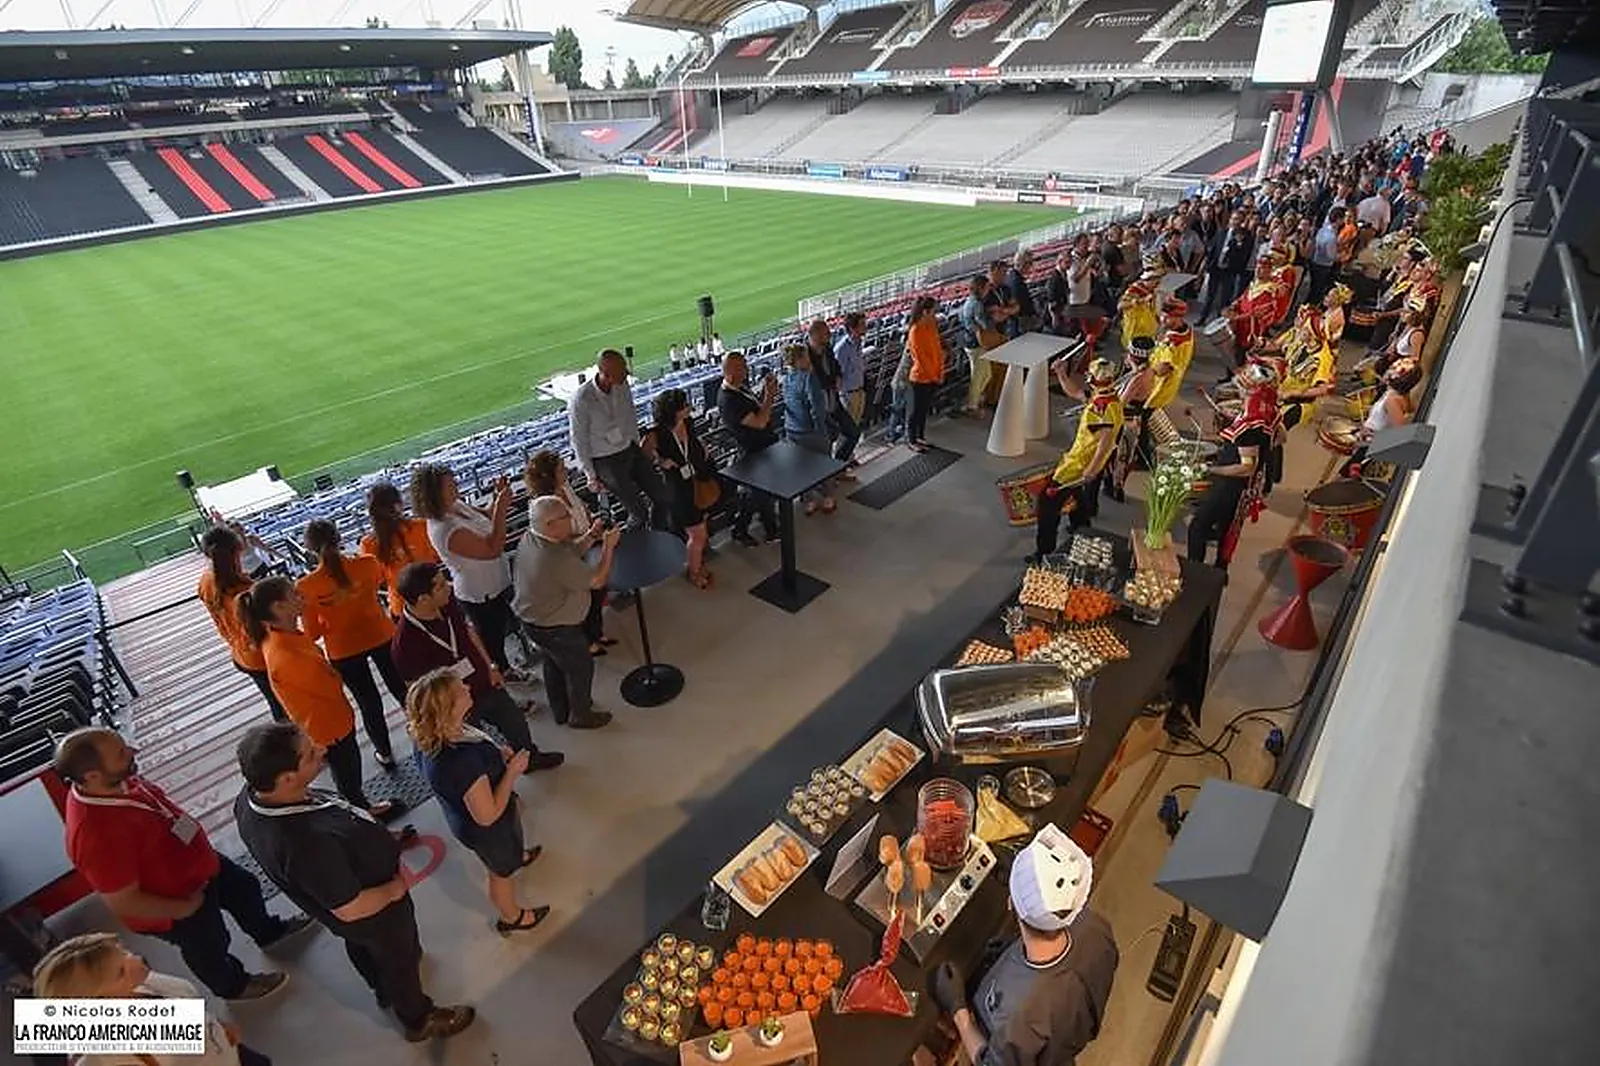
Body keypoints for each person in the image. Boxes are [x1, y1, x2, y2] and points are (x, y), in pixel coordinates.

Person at [233, 722, 475, 1043]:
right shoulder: (304, 844)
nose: (321, 748)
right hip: (375, 913)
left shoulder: (253, 797)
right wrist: (395, 889)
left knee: (363, 947)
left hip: (350, 911)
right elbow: (352, 908)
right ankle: (418, 1018)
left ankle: (381, 986)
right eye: (309, 754)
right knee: (398, 959)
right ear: (287, 778)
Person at [55, 727, 308, 1002]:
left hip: (198, 864)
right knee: (209, 946)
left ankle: (268, 932)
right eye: (120, 752)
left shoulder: (116, 779)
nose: (132, 751)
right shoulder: (94, 836)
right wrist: (184, 908)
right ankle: (233, 986)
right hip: (176, 901)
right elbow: (125, 902)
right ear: (92, 776)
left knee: (245, 888)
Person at [928, 827, 1118, 1066]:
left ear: (1010, 903)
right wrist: (1012, 949)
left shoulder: (1018, 1016)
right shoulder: (1095, 928)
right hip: (1061, 1048)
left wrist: (959, 1010)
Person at [237, 577, 401, 820]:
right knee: (347, 774)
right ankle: (362, 814)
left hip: (328, 721)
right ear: (278, 608)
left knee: (346, 771)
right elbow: (329, 685)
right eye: (293, 595)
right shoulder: (286, 655)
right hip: (328, 728)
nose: (301, 597)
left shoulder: (285, 636)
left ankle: (359, 808)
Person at [404, 669, 550, 935]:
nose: (468, 689)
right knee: (500, 871)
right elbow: (488, 815)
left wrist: (496, 755)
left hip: (467, 815)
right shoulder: (459, 761)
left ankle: (518, 855)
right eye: (461, 691)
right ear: (447, 708)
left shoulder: (433, 734)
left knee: (507, 853)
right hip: (487, 829)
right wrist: (512, 771)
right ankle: (512, 916)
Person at [390, 561, 562, 767]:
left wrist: (491, 666)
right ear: (423, 599)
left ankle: (529, 757)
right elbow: (416, 692)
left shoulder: (447, 603)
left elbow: (469, 632)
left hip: (483, 682)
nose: (450, 587)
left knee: (513, 720)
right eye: (441, 586)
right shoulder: (405, 646)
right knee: (476, 749)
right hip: (454, 705)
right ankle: (496, 787)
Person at [33, 933, 273, 1066]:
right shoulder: (109, 1057)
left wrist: (219, 1026)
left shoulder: (144, 983)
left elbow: (186, 1002)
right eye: (120, 971)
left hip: (226, 1052)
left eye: (124, 951)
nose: (136, 961)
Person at [297, 520, 402, 770]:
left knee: (369, 702)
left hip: (343, 649)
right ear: (339, 538)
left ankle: (385, 754)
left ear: (310, 548)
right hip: (380, 634)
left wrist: (332, 614)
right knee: (402, 688)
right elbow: (378, 584)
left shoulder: (306, 586)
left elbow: (311, 633)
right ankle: (429, 733)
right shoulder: (366, 563)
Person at [511, 496, 618, 730]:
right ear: (550, 524)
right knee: (581, 667)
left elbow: (569, 551)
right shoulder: (553, 558)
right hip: (556, 627)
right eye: (565, 516)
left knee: (553, 662)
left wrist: (591, 535)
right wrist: (608, 547)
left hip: (535, 622)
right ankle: (580, 714)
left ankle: (560, 710)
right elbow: (597, 580)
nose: (570, 518)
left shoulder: (532, 538)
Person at [410, 463, 521, 678]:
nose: (455, 485)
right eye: (449, 484)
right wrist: (502, 508)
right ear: (434, 493)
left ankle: (506, 670)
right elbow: (493, 548)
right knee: (492, 639)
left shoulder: (456, 505)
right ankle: (502, 675)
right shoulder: (444, 529)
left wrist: (497, 498)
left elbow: (488, 516)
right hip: (480, 593)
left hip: (496, 581)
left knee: (501, 628)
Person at [1187, 360, 1280, 572]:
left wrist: (1211, 469)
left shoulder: (1250, 423)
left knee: (1198, 527)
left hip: (1232, 485)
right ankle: (1220, 570)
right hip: (1245, 483)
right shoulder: (1269, 408)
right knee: (1226, 527)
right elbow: (1280, 436)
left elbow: (1247, 466)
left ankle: (1195, 573)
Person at [524, 449, 616, 654]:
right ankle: (587, 640)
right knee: (583, 599)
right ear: (550, 475)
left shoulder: (566, 487)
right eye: (561, 469)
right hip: (570, 557)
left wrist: (594, 527)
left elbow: (581, 510)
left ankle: (596, 632)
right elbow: (560, 539)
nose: (566, 470)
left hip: (589, 545)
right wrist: (591, 534)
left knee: (596, 594)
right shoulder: (543, 505)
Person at [1035, 358, 1123, 559]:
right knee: (1078, 499)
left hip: (1078, 464)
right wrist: (1061, 373)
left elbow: (1105, 441)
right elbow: (1075, 392)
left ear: (1092, 379)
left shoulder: (1100, 408)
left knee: (1048, 503)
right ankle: (1083, 532)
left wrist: (1091, 469)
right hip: (1082, 461)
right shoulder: (1108, 397)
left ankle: (1044, 552)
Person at [567, 348, 665, 529]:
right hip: (605, 459)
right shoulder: (581, 399)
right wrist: (590, 475)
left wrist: (637, 446)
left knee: (662, 495)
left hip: (629, 448)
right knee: (639, 512)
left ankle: (660, 533)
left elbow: (630, 415)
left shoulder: (623, 385)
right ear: (606, 374)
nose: (627, 373)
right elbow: (578, 439)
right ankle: (630, 545)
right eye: (622, 370)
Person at [198, 526, 285, 722]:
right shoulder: (247, 592)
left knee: (276, 704)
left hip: (241, 654)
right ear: (237, 552)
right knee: (287, 707)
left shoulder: (205, 582)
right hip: (265, 657)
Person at [647, 387, 718, 589]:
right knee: (698, 535)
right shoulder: (657, 434)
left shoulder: (689, 422)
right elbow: (643, 457)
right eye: (684, 406)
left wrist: (702, 449)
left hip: (696, 483)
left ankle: (696, 565)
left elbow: (693, 443)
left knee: (699, 531)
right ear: (674, 411)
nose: (689, 407)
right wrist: (660, 462)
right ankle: (694, 572)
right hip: (678, 491)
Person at [717, 351, 781, 546]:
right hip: (753, 450)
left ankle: (760, 526)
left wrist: (765, 393)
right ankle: (758, 528)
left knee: (761, 491)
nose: (746, 369)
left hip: (763, 447)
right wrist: (770, 396)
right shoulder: (729, 400)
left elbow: (757, 409)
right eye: (742, 366)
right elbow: (760, 421)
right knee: (760, 492)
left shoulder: (739, 388)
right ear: (731, 371)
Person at [360, 481, 440, 618]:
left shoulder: (368, 544)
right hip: (436, 600)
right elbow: (436, 558)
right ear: (398, 505)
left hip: (403, 610)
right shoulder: (421, 526)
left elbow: (376, 581)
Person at [781, 344, 839, 514]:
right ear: (799, 359)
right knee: (824, 463)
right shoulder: (809, 378)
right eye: (806, 356)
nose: (809, 359)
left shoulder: (786, 380)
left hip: (792, 430)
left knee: (803, 467)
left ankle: (809, 500)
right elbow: (817, 408)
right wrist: (821, 430)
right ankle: (828, 499)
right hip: (811, 431)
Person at [805, 319, 861, 468]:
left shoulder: (827, 348)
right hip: (819, 407)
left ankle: (837, 467)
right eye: (825, 333)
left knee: (853, 433)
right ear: (814, 335)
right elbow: (816, 380)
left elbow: (835, 365)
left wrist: (838, 376)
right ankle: (830, 473)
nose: (829, 335)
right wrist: (832, 381)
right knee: (826, 442)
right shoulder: (805, 356)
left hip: (833, 401)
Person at [905, 295, 947, 451]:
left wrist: (940, 372)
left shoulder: (931, 327)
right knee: (915, 411)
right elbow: (921, 358)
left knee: (923, 410)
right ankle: (911, 440)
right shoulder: (915, 331)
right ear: (925, 312)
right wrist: (934, 376)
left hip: (932, 377)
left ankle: (920, 437)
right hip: (920, 378)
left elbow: (937, 351)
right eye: (933, 312)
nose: (935, 315)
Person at [960, 274, 1003, 415]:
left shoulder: (970, 302)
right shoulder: (977, 304)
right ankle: (972, 405)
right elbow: (984, 324)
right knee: (979, 375)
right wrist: (995, 317)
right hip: (976, 344)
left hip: (971, 342)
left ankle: (975, 401)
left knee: (984, 374)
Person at [834, 312, 868, 426]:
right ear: (852, 328)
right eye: (862, 324)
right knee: (847, 432)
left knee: (856, 428)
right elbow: (837, 374)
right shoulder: (842, 348)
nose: (865, 326)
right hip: (848, 396)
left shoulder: (859, 343)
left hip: (859, 392)